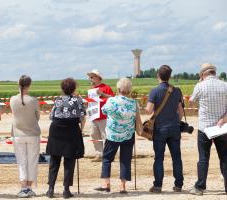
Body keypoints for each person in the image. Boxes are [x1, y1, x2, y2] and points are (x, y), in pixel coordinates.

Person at [94, 78, 142, 193]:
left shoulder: (112, 101)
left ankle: (106, 184)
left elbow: (104, 111)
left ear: (118, 88)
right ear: (130, 89)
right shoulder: (134, 103)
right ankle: (122, 186)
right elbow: (137, 117)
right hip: (128, 134)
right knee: (125, 160)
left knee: (107, 159)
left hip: (112, 135)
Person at [189, 63, 227, 195]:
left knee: (204, 158)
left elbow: (191, 101)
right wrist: (223, 119)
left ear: (203, 74)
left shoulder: (200, 85)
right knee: (225, 157)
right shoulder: (225, 85)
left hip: (205, 127)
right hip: (221, 127)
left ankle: (200, 187)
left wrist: (199, 82)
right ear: (214, 72)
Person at [145, 65, 184, 193]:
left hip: (160, 128)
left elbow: (149, 110)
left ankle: (157, 186)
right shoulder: (177, 90)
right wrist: (177, 122)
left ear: (158, 76)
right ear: (170, 76)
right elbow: (181, 111)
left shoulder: (154, 91)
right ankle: (178, 185)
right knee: (176, 158)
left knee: (159, 158)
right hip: (174, 127)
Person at [45, 78, 86, 199]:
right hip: (71, 131)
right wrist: (80, 131)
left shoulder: (57, 100)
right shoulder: (78, 100)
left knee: (54, 161)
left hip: (56, 131)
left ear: (62, 88)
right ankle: (66, 190)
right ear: (73, 88)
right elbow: (83, 118)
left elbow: (51, 116)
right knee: (69, 161)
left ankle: (50, 189)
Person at [10, 75, 41, 198]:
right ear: (29, 85)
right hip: (32, 134)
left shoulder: (13, 99)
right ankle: (29, 187)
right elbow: (37, 117)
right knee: (32, 162)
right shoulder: (33, 100)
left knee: (21, 162)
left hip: (18, 134)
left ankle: (23, 187)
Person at [87, 69, 114, 162]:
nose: (90, 79)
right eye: (90, 77)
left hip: (104, 116)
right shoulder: (91, 90)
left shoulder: (106, 87)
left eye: (92, 77)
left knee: (105, 136)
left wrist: (102, 94)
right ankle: (99, 154)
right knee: (94, 135)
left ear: (98, 77)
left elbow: (113, 99)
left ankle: (108, 155)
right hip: (93, 117)